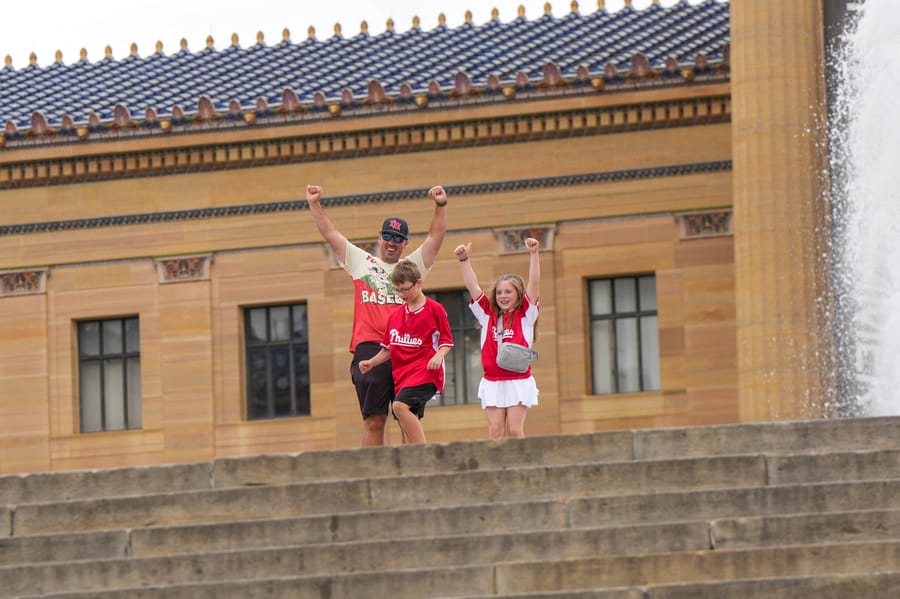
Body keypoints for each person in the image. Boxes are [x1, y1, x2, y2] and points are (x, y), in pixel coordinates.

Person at [306, 183, 448, 446]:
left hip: (409, 350)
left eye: (397, 238)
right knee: (374, 421)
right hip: (371, 347)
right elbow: (330, 233)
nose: (391, 243)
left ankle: (410, 480)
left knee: (408, 420)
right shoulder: (361, 262)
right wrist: (315, 203)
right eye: (387, 236)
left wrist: (440, 206)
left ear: (406, 243)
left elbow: (435, 240)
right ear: (380, 238)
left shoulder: (413, 267)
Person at [358, 260, 454, 444]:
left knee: (399, 406)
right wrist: (371, 363)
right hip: (403, 376)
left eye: (405, 289)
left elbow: (447, 341)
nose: (401, 295)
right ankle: (416, 455)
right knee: (407, 419)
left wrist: (438, 355)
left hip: (426, 373)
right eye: (397, 290)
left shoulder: (435, 309)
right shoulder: (395, 315)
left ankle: (423, 451)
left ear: (419, 283)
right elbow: (388, 348)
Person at [454, 237, 540, 439]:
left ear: (518, 294)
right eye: (499, 292)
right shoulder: (487, 314)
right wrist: (464, 259)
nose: (503, 296)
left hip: (517, 380)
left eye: (508, 292)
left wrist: (534, 254)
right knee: (495, 431)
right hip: (492, 381)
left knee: (514, 430)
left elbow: (535, 283)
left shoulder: (526, 313)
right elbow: (472, 286)